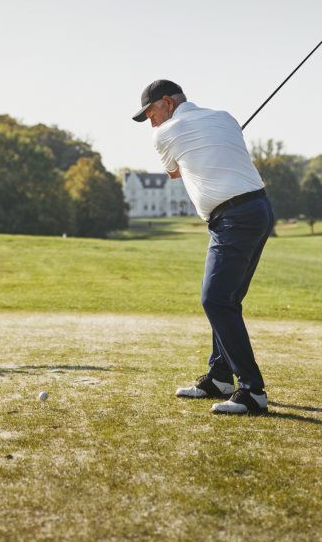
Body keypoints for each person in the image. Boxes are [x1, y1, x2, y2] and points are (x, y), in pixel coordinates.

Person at [133, 79, 273, 414]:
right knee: (227, 299)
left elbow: (174, 173)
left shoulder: (164, 133)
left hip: (234, 218)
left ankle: (252, 390)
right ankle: (220, 377)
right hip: (259, 209)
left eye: (151, 113)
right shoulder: (225, 117)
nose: (151, 122)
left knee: (214, 299)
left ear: (167, 102)